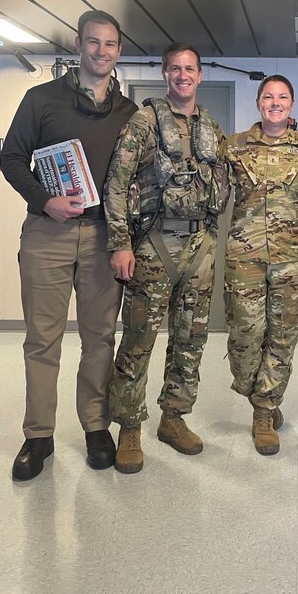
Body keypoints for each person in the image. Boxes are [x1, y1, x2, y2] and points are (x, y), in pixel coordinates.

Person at [0, 10, 137, 481]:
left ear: (119, 51)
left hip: (103, 238)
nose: (102, 51)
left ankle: (96, 427)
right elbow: (11, 157)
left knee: (99, 338)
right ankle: (38, 436)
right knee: (43, 340)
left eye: (111, 44)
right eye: (94, 42)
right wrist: (45, 199)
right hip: (48, 233)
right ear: (80, 44)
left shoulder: (127, 112)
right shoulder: (42, 99)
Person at [104, 42, 229, 474]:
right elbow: (117, 185)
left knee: (190, 340)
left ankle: (173, 418)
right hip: (154, 247)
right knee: (139, 339)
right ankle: (130, 427)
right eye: (174, 68)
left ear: (199, 74)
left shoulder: (211, 126)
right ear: (165, 73)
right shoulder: (143, 122)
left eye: (189, 68)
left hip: (200, 247)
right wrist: (120, 243)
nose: (182, 75)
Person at [221, 76, 298, 455]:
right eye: (268, 97)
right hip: (243, 258)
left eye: (282, 97)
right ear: (258, 103)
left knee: (282, 337)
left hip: (291, 260)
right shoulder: (234, 146)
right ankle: (254, 391)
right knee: (245, 336)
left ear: (291, 104)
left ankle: (265, 410)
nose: (275, 103)